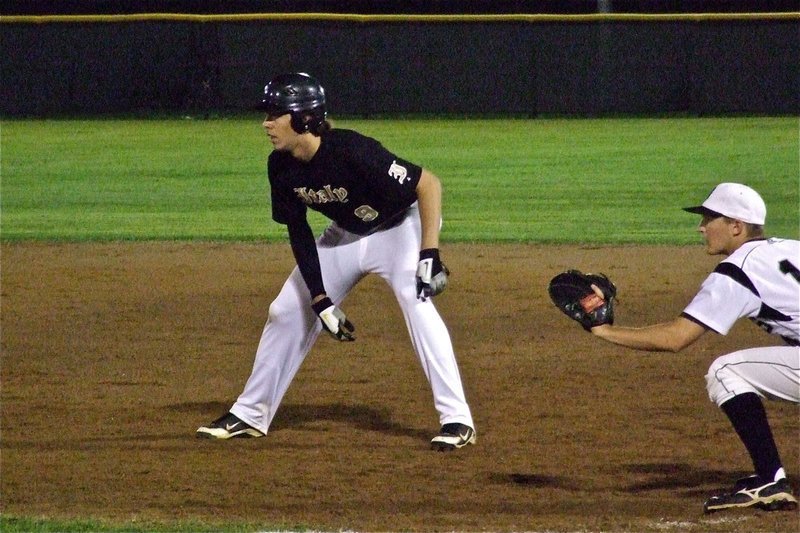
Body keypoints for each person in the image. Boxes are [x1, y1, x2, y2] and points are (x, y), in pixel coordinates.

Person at [196, 72, 476, 451]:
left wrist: (429, 253)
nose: (266, 123)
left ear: (304, 119)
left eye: (276, 114)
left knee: (417, 301)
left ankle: (457, 420)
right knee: (285, 310)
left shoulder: (352, 149)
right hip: (345, 236)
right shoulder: (280, 166)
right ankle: (250, 414)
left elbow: (428, 185)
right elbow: (298, 231)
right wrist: (320, 299)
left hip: (400, 229)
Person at [590, 182, 799, 513]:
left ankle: (769, 480)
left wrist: (604, 331)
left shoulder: (737, 271)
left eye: (710, 218)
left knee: (726, 372)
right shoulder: (790, 247)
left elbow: (676, 337)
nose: (701, 227)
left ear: (736, 226)